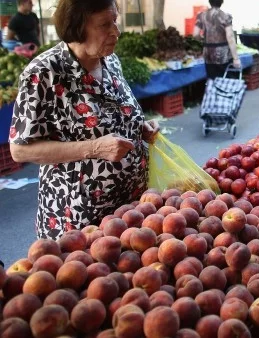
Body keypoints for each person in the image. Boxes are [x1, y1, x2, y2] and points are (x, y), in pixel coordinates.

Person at [8, 0, 159, 240]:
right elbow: (20, 150)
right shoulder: (44, 73)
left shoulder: (110, 61)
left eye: (115, 22)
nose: (116, 32)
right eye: (104, 24)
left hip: (130, 208)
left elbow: (114, 112)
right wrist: (95, 148)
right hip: (80, 217)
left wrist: (139, 127)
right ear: (77, 27)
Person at [194, 0, 241, 79]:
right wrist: (236, 58)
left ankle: (212, 91)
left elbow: (195, 34)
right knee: (224, 80)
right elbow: (230, 37)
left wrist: (203, 39)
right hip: (223, 53)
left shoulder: (201, 15)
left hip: (208, 52)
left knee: (212, 79)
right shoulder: (225, 16)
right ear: (221, 2)